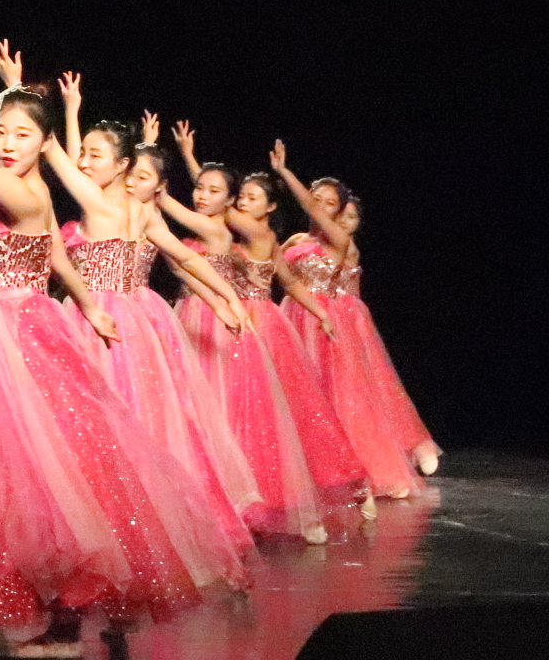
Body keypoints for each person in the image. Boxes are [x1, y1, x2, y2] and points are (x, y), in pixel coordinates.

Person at [0, 37, 249, 657]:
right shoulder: (28, 189)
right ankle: (27, 609)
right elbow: (57, 252)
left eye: (23, 135)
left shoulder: (25, 195)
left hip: (16, 333)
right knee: (4, 472)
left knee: (44, 468)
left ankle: (64, 603)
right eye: (1, 132)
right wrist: (88, 304)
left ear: (44, 141)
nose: (7, 144)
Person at [39, 80, 259, 556]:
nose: (85, 162)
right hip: (137, 315)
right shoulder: (140, 208)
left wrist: (27, 98)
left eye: (96, 156)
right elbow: (186, 257)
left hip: (102, 319)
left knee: (108, 420)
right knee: (143, 417)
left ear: (121, 166)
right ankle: (144, 518)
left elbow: (56, 153)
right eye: (86, 155)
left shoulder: (99, 203)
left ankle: (121, 522)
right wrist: (228, 298)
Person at [164, 125, 369, 536]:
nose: (242, 203)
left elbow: (215, 200)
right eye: (242, 198)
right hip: (215, 317)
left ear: (270, 207)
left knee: (268, 412)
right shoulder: (232, 232)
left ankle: (275, 496)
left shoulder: (257, 233)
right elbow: (213, 199)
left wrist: (178, 179)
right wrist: (193, 163)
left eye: (250, 198)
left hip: (252, 318)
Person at [270, 143, 440, 490]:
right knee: (293, 396)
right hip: (292, 315)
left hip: (321, 320)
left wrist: (285, 172)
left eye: (328, 202)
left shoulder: (339, 239)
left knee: (337, 395)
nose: (319, 205)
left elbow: (311, 211)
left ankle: (359, 467)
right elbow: (270, 266)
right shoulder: (297, 239)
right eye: (316, 197)